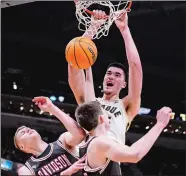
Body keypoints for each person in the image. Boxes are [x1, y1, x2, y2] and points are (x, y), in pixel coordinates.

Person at [68, 12, 143, 145]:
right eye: (109, 73)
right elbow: (74, 61)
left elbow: (135, 67)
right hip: (85, 158)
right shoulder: (89, 101)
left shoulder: (126, 106)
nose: (111, 77)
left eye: (117, 75)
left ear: (124, 84)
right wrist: (93, 27)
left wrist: (125, 30)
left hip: (110, 159)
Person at [75, 101, 172, 175]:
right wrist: (160, 124)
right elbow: (135, 154)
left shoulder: (87, 140)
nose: (109, 117)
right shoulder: (99, 142)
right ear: (100, 118)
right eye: (106, 114)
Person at [14, 96, 86, 176]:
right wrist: (65, 174)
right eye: (23, 133)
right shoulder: (26, 170)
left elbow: (80, 134)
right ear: (22, 147)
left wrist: (52, 108)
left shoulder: (62, 141)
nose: (27, 129)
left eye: (28, 128)